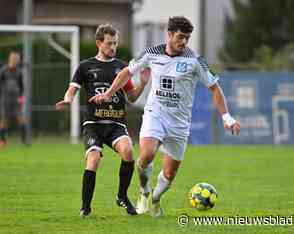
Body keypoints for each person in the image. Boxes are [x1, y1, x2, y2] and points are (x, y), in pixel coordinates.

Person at [89, 16, 241, 217]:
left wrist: (226, 117)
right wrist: (108, 94)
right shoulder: (152, 53)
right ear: (169, 34)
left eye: (187, 38)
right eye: (180, 37)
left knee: (169, 173)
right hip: (155, 115)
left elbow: (215, 88)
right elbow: (127, 72)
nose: (184, 42)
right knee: (147, 155)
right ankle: (144, 191)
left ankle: (155, 199)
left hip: (179, 123)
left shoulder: (195, 60)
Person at [55, 24, 149, 217]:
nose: (113, 47)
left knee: (128, 151)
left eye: (115, 43)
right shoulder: (85, 66)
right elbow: (72, 89)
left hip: (116, 124)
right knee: (94, 159)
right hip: (94, 125)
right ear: (99, 43)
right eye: (109, 43)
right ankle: (85, 207)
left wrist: (144, 83)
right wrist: (68, 99)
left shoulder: (123, 67)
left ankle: (122, 196)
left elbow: (131, 97)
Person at [0, 51, 26, 147]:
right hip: (5, 99)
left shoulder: (19, 72)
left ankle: (23, 141)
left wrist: (21, 97)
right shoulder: (3, 70)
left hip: (16, 100)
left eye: (17, 60)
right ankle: (3, 141)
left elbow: (21, 86)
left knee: (21, 119)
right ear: (10, 59)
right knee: (4, 120)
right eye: (14, 59)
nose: (16, 61)